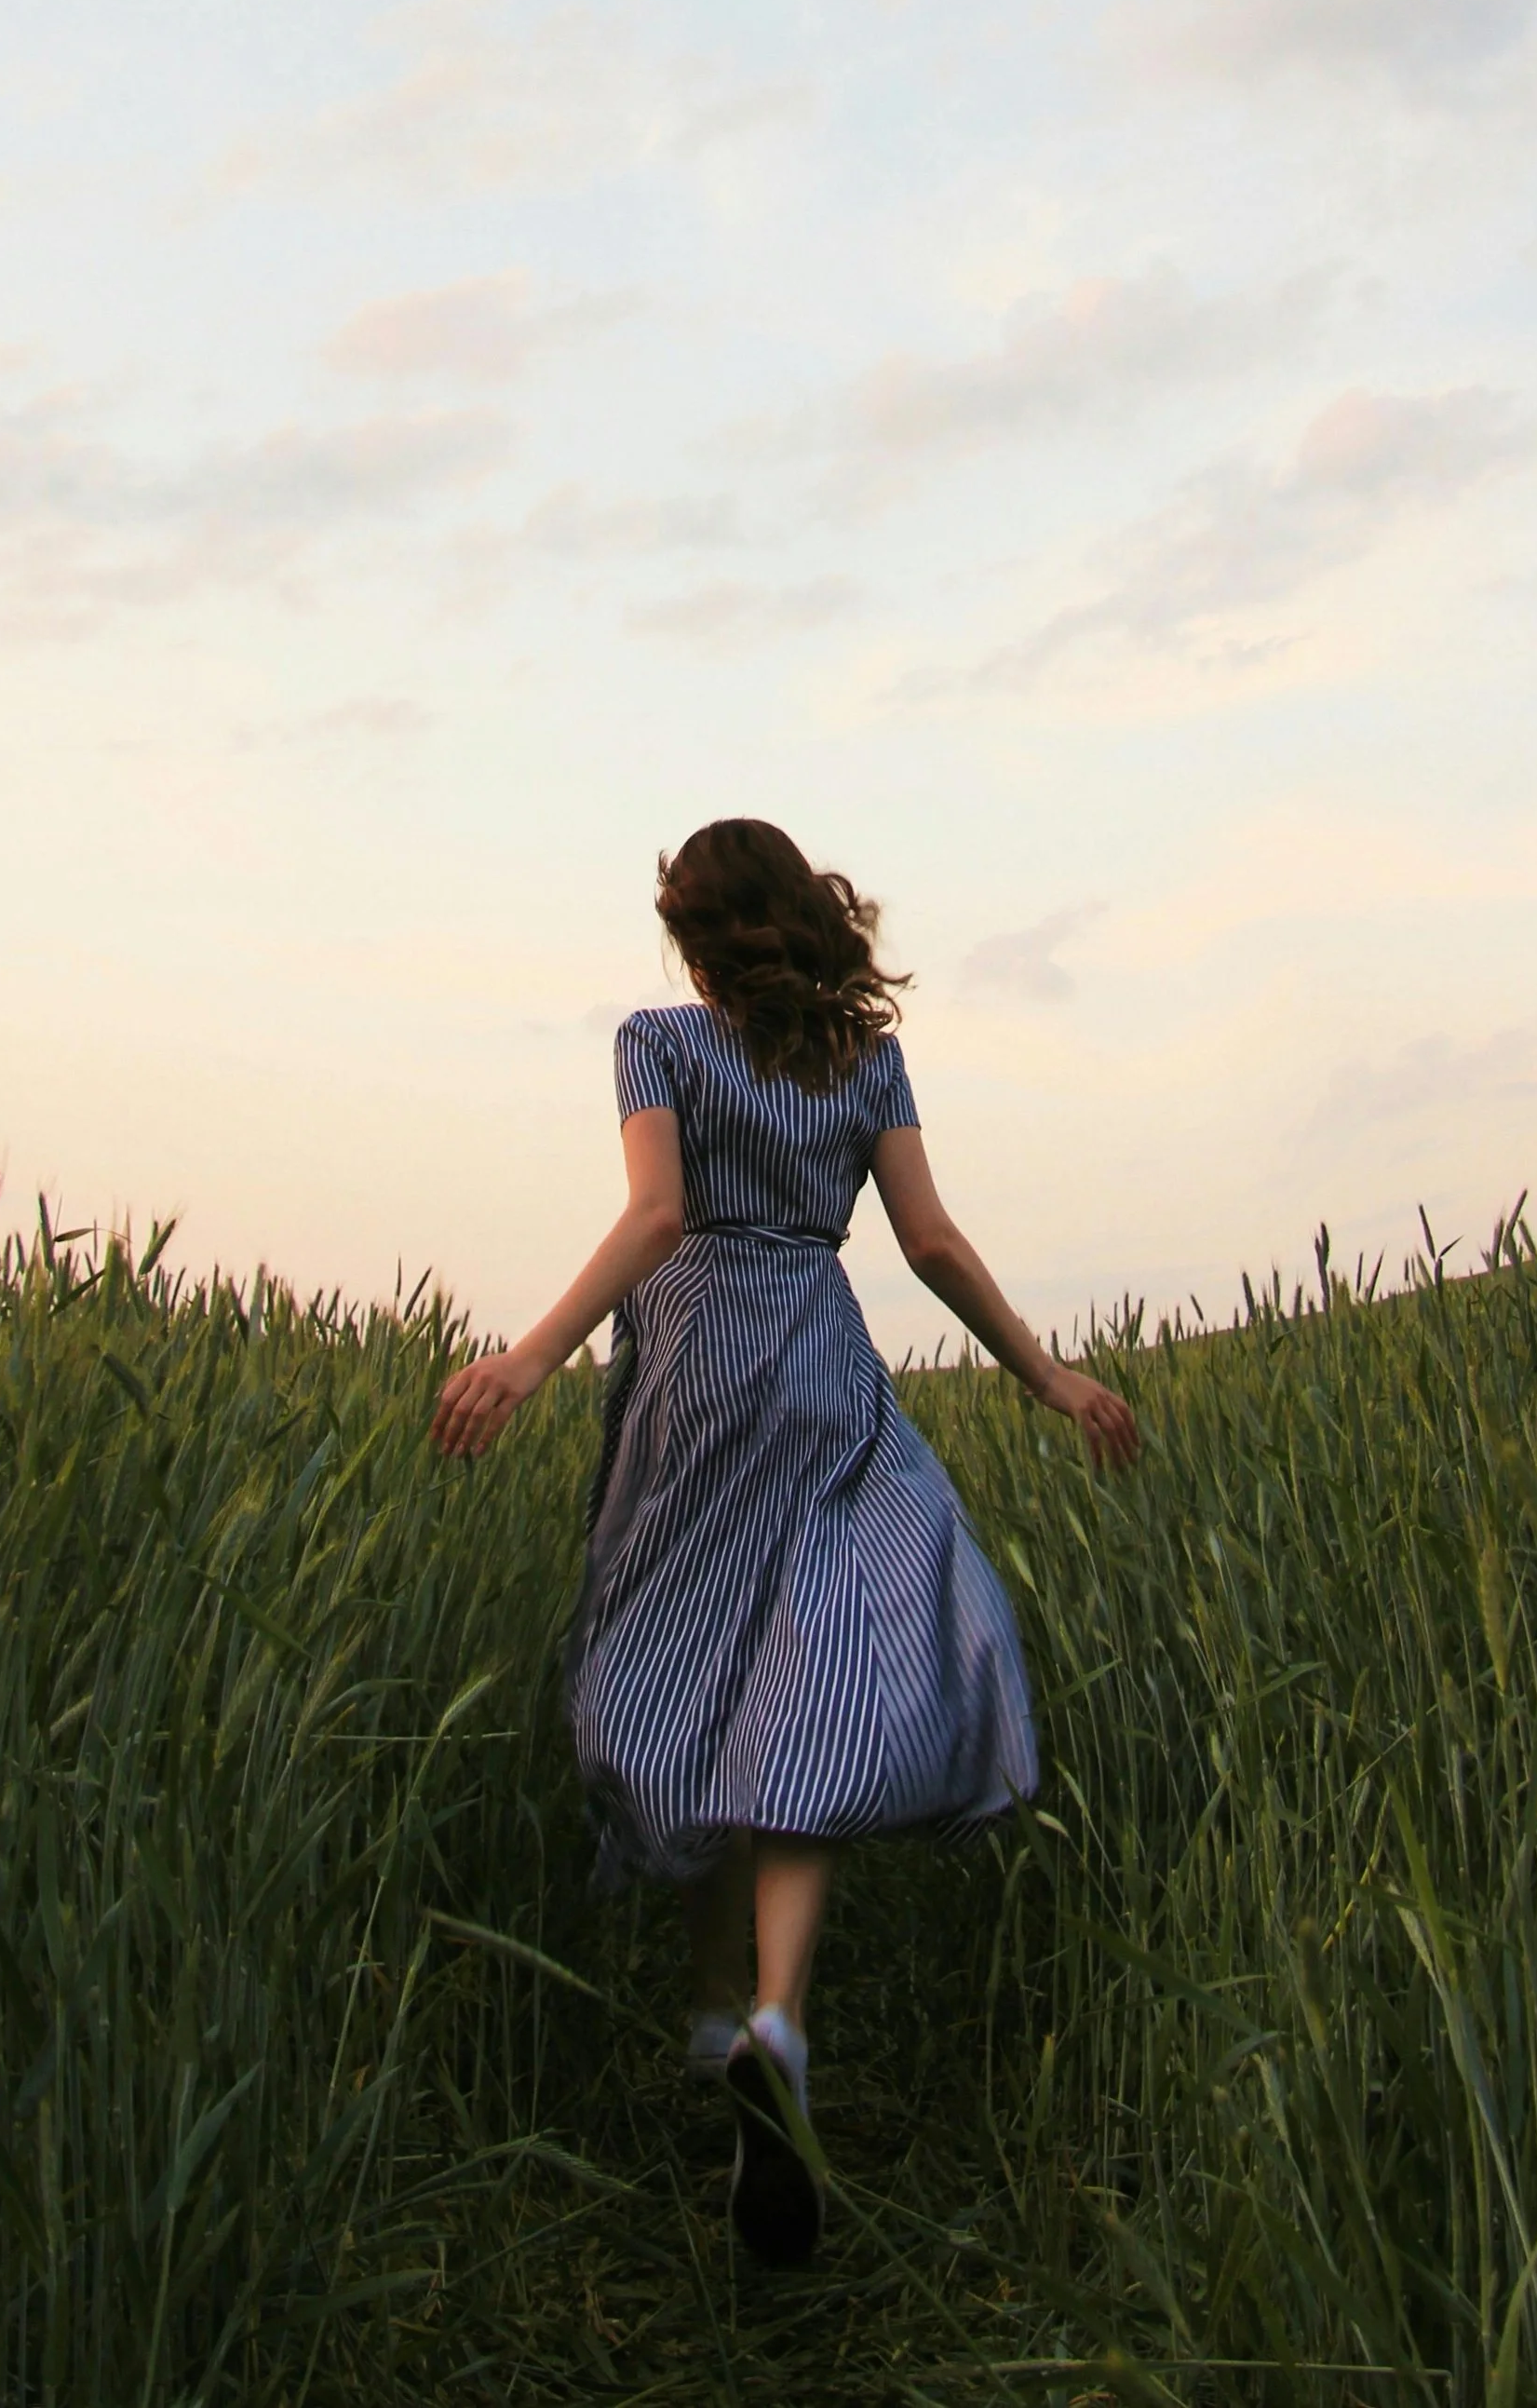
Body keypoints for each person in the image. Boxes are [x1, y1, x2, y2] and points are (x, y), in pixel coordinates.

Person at [429, 819, 1138, 2265]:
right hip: (816, 1360)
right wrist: (1048, 1376)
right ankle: (771, 2014)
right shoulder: (859, 1056)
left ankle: (712, 2018)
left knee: (690, 1669)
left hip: (693, 1368)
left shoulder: (657, 1043)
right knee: (814, 1674)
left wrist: (529, 1354)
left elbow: (657, 1215)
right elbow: (930, 1243)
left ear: (695, 936)